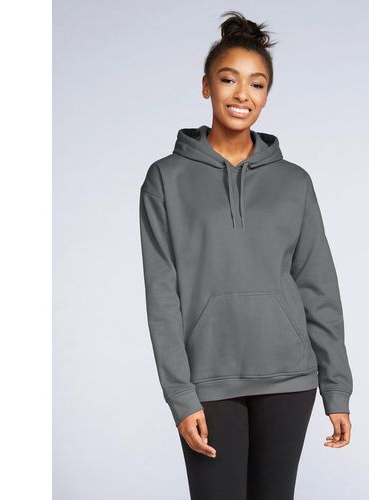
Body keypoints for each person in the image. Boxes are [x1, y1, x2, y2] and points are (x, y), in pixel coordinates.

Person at [139, 10, 353, 500]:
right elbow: (161, 296)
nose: (242, 94)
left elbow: (318, 287)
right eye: (228, 79)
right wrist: (180, 395)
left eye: (257, 84)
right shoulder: (165, 179)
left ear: (267, 95)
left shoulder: (294, 182)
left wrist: (336, 387)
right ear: (206, 86)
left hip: (290, 380)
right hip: (208, 382)